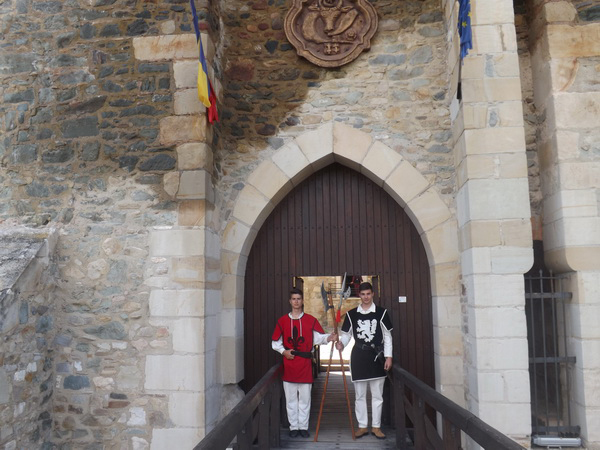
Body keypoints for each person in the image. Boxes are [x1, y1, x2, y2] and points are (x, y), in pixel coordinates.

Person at [272, 288, 337, 438]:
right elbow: (275, 342)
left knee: (305, 399)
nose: (296, 301)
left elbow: (319, 338)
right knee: (291, 399)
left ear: (302, 301)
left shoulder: (310, 320)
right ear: (290, 301)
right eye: (294, 299)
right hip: (289, 364)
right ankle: (293, 427)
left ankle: (303, 426)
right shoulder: (282, 321)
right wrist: (283, 351)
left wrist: (330, 337)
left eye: (299, 299)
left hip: (305, 364)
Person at [336, 282, 393, 439]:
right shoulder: (352, 314)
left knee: (377, 395)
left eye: (368, 294)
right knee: (360, 395)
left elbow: (387, 336)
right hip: (359, 357)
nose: (366, 297)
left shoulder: (381, 313)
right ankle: (362, 426)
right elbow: (347, 335)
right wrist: (341, 344)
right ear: (359, 295)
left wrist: (388, 357)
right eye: (363, 294)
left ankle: (376, 426)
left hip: (376, 357)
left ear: (373, 294)